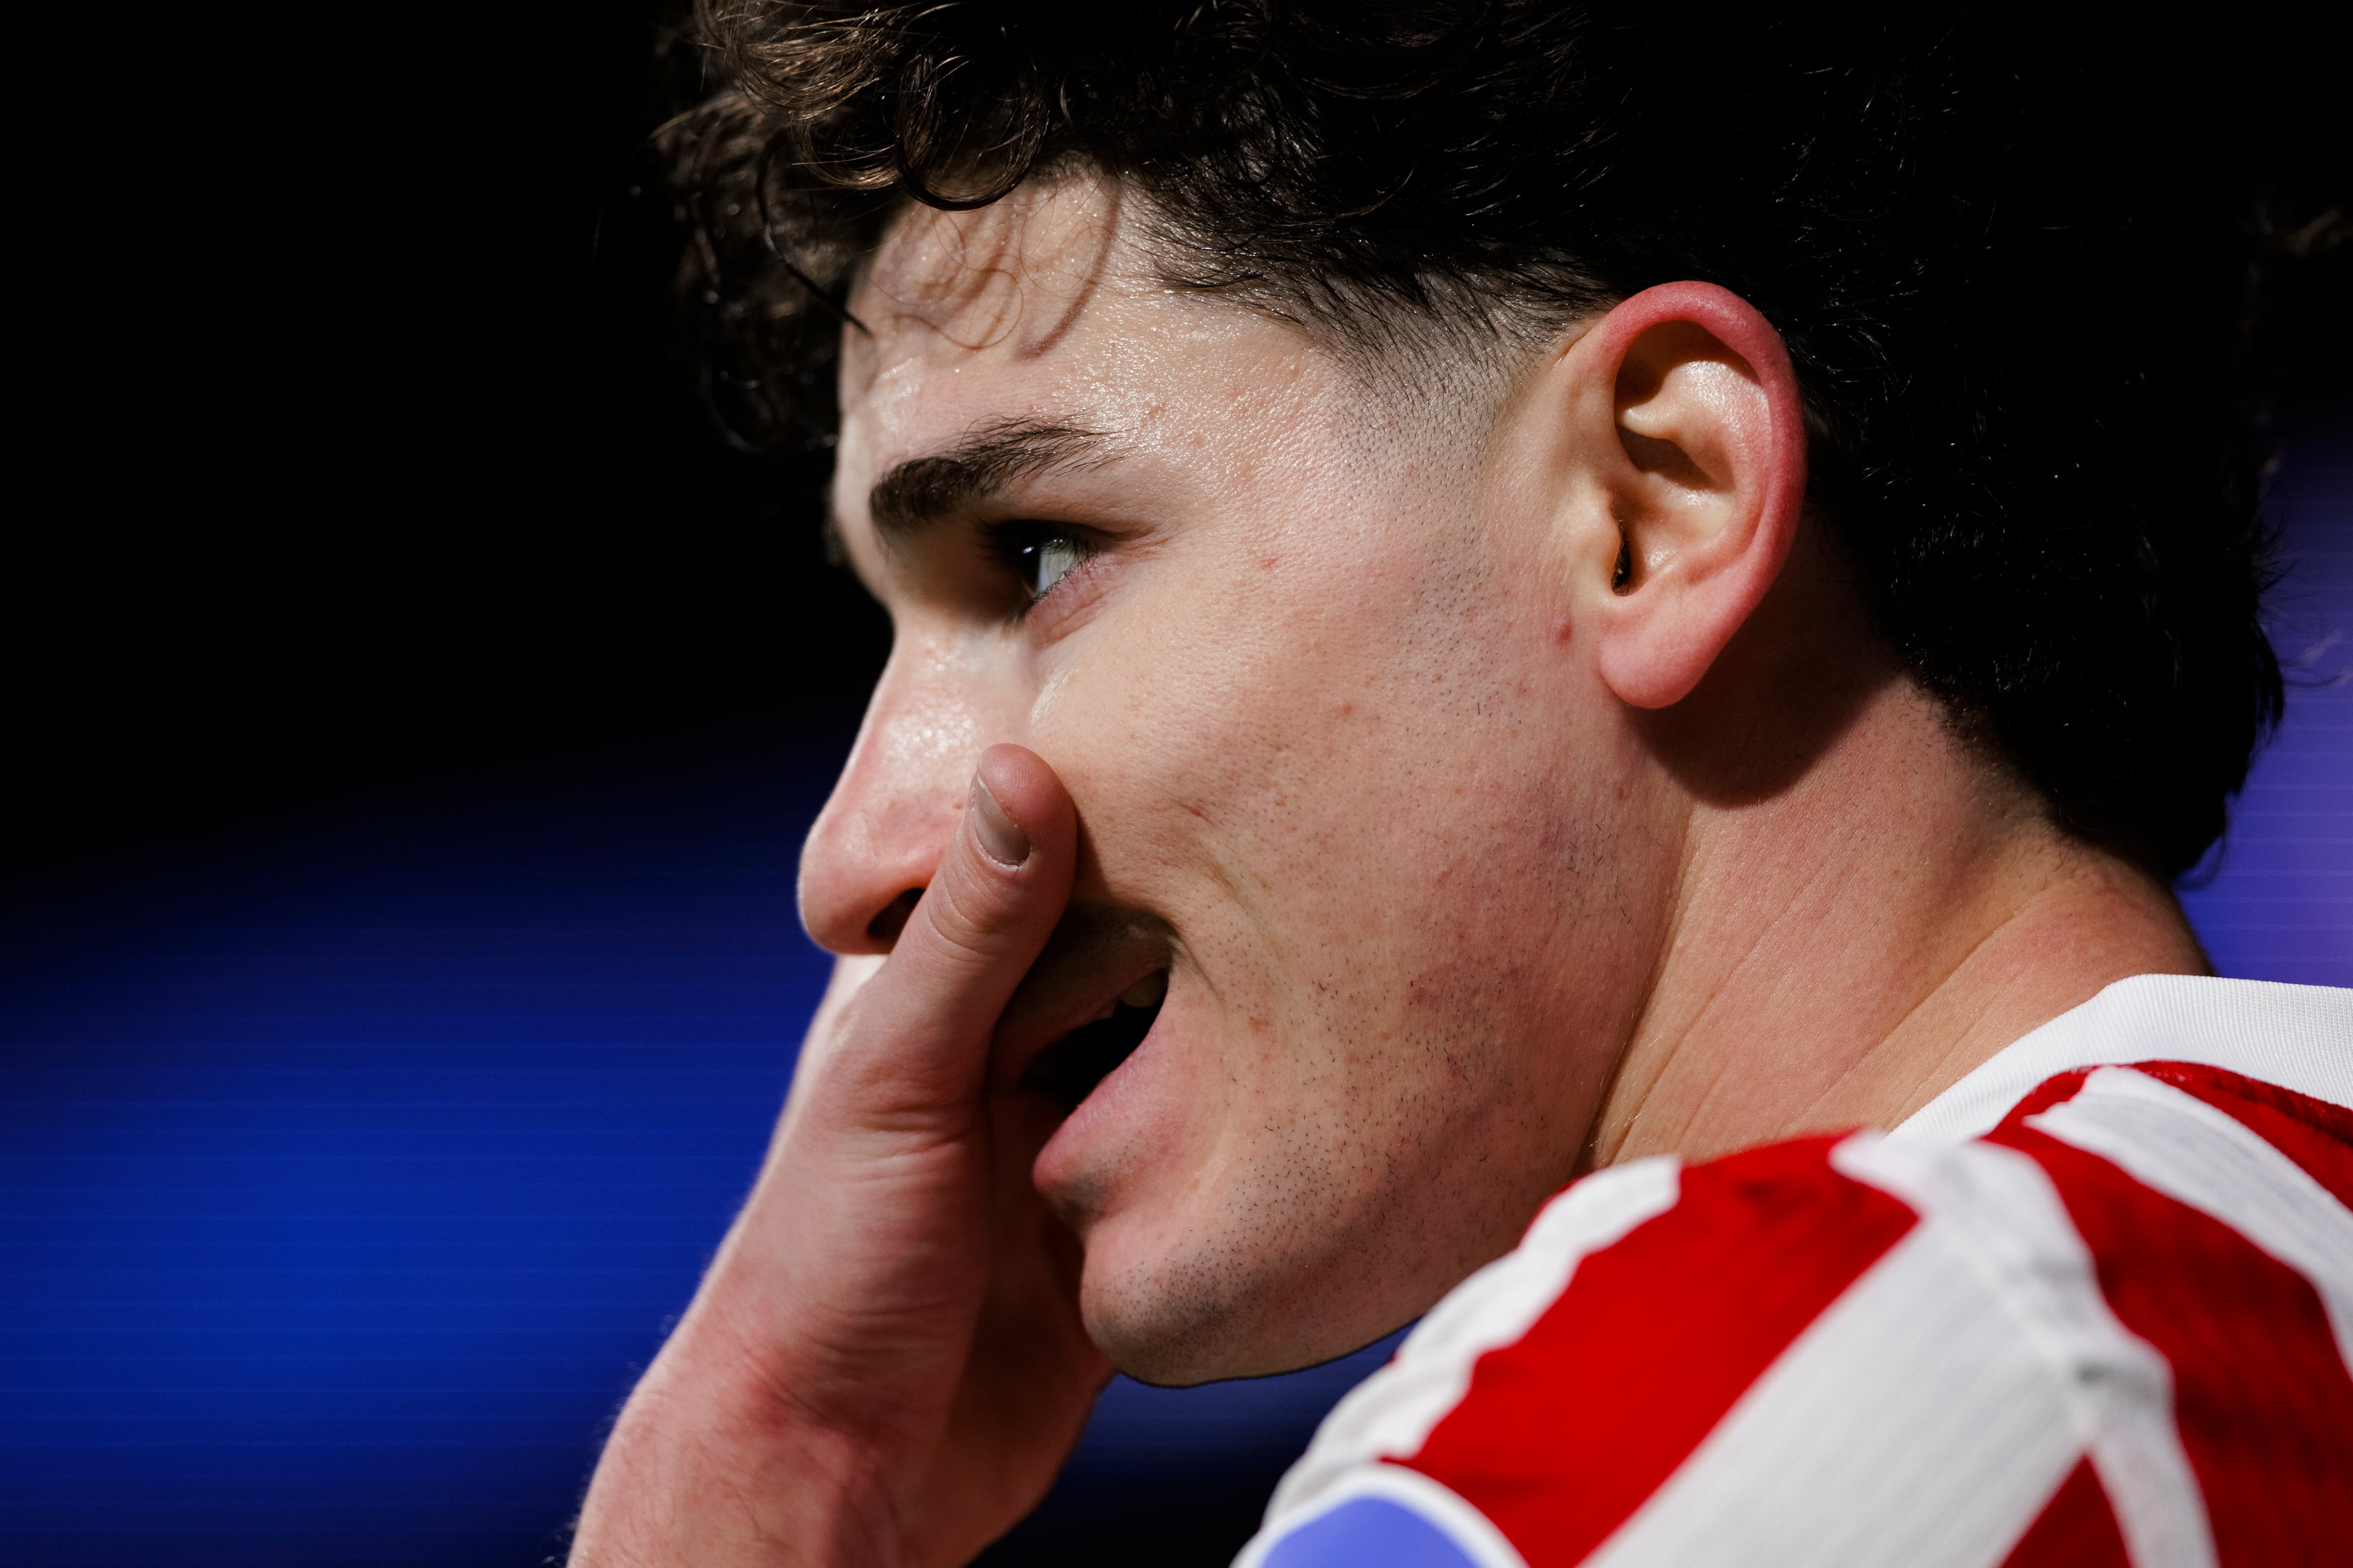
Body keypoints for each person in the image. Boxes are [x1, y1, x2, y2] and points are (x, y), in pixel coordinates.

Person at [572, 4, 2352, 1563]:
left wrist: (757, 1484)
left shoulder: (1764, 1405)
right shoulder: (2228, 1291)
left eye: (1037, 557)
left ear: (1655, 503)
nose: (854, 858)